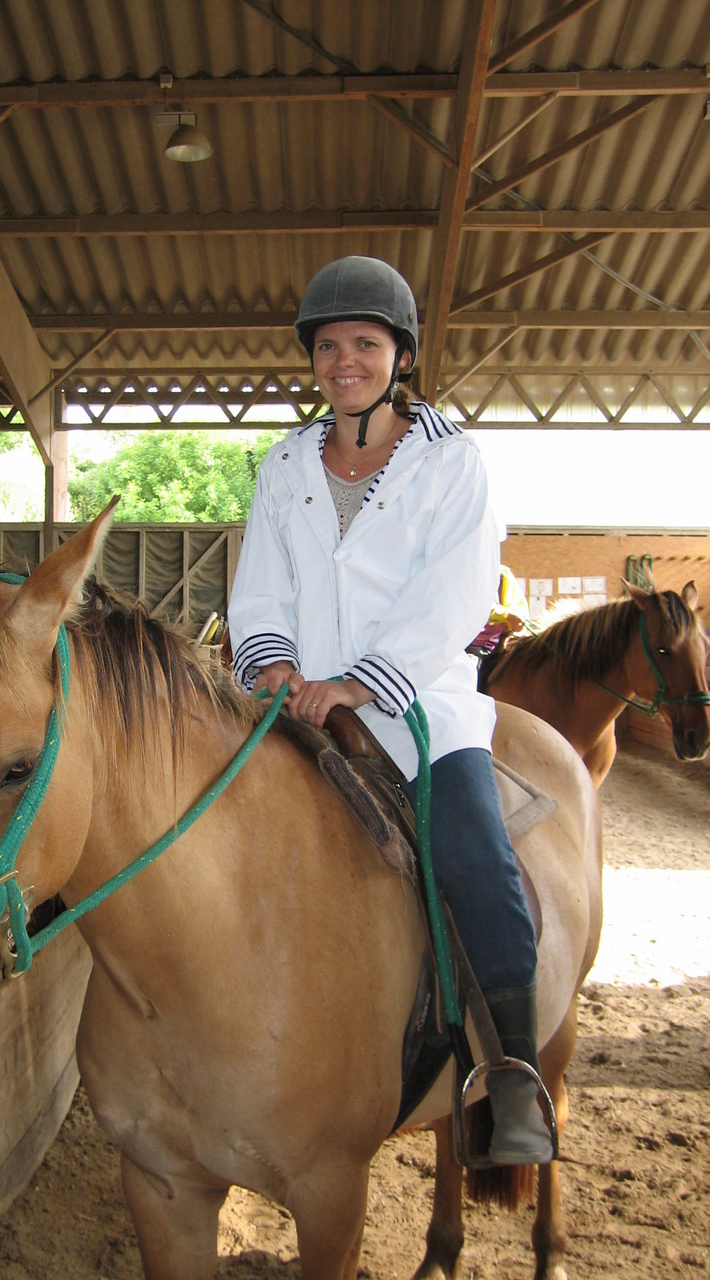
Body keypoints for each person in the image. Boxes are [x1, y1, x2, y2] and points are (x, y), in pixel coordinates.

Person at [227, 255, 553, 1165]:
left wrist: (363, 683)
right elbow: (258, 594)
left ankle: (513, 1078)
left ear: (400, 356)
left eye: (365, 344)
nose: (344, 361)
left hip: (420, 711)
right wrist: (280, 667)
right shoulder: (283, 464)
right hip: (296, 703)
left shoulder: (453, 460)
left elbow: (454, 596)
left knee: (477, 862)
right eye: (328, 346)